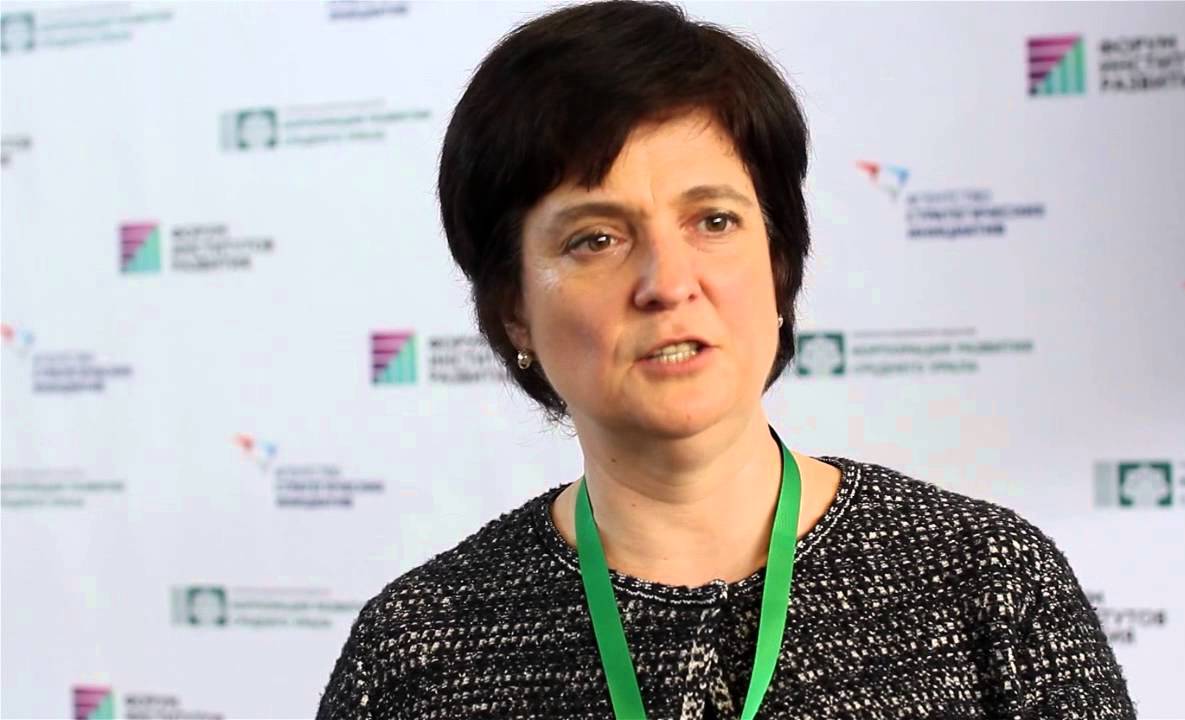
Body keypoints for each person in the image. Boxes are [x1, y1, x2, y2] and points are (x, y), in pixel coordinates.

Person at [318, 2, 1137, 718]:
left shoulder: (988, 583)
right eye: (596, 239)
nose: (669, 283)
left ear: (778, 266)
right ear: (513, 310)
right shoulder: (416, 652)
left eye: (713, 221)